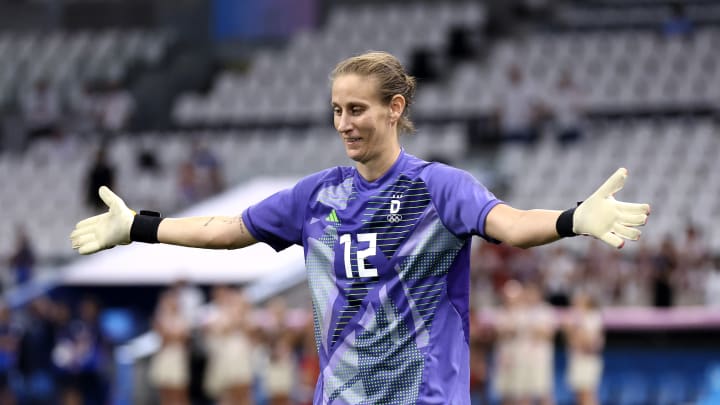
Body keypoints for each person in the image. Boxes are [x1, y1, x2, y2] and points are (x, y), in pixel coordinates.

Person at [70, 51, 650, 404]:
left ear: (395, 108)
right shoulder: (317, 195)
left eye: (358, 109)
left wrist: (573, 219)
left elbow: (513, 224)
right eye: (337, 110)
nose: (343, 123)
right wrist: (140, 227)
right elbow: (227, 229)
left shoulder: (438, 187)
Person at [149, 289, 191, 405]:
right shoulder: (160, 319)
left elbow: (183, 338)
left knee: (180, 393)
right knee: (164, 393)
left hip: (177, 357)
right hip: (164, 356)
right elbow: (163, 338)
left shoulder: (182, 319)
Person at [563, 292, 604, 405]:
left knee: (588, 394)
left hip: (588, 360)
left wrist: (573, 331)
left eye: (580, 301)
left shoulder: (593, 317)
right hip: (576, 358)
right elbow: (572, 341)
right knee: (579, 395)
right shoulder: (577, 318)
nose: (576, 303)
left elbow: (588, 343)